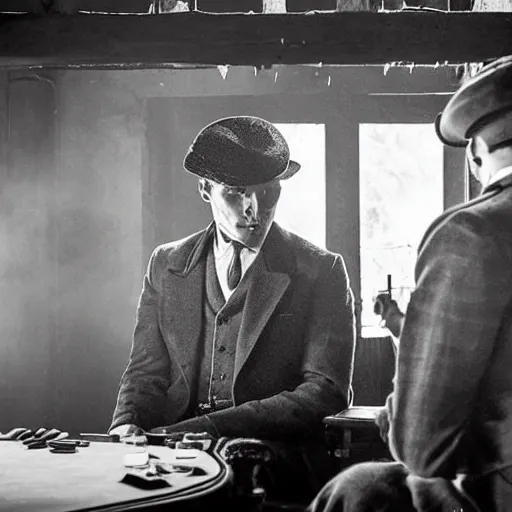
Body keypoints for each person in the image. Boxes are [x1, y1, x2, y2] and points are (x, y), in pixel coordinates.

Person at [109, 116, 356, 500]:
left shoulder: (320, 270)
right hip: (168, 455)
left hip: (274, 457)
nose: (254, 208)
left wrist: (210, 429)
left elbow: (324, 392)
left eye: (268, 191)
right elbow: (145, 371)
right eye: (236, 191)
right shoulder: (167, 263)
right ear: (205, 189)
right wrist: (127, 426)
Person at [308, 55, 512, 512]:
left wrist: (399, 417)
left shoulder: (470, 233)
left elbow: (423, 449)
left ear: (477, 152)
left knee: (356, 491)